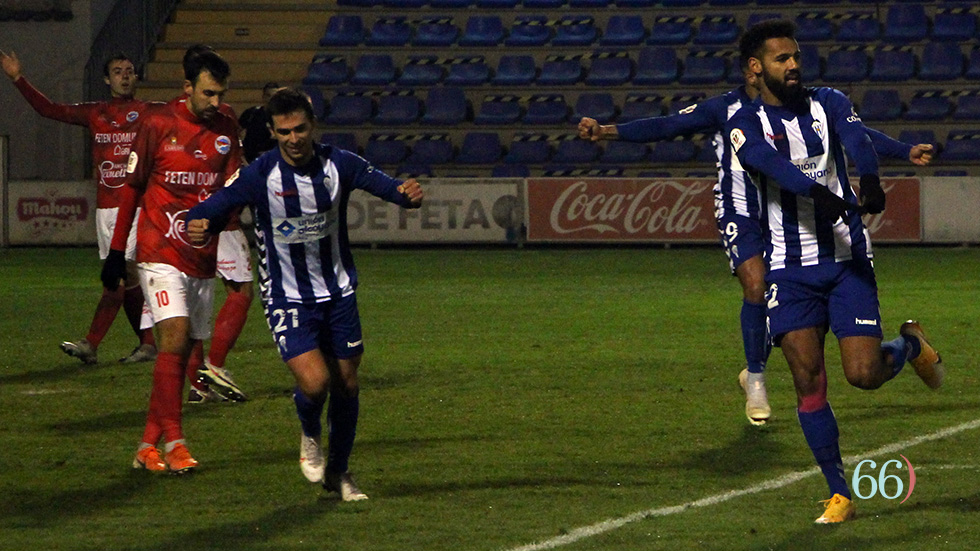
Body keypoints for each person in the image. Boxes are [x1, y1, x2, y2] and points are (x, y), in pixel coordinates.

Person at [578, 61, 934, 427]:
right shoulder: (726, 109)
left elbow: (851, 132)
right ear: (752, 71)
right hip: (743, 212)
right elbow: (668, 124)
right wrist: (608, 131)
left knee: (857, 367)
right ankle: (757, 378)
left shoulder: (804, 106)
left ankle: (897, 347)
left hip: (789, 213)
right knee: (756, 282)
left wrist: (902, 150)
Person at [727, 19, 944, 523]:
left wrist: (869, 178)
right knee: (807, 378)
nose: (794, 64)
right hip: (788, 268)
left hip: (846, 260)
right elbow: (772, 165)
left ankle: (910, 344)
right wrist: (820, 194)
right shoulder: (745, 123)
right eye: (782, 59)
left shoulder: (830, 101)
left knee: (864, 376)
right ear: (757, 68)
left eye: (796, 56)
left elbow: (855, 138)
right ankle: (838, 491)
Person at [186, 88, 424, 500]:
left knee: (347, 384)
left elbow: (387, 187)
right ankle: (310, 432)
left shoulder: (340, 164)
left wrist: (407, 195)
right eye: (284, 132)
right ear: (273, 133)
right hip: (287, 295)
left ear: (311, 125)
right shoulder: (260, 174)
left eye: (299, 129)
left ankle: (340, 472)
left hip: (338, 292)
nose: (293, 139)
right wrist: (198, 221)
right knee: (315, 384)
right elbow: (215, 202)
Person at [102, 49, 242, 474]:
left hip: (200, 257)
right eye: (208, 93)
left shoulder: (226, 129)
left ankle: (147, 445)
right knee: (175, 339)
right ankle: (177, 443)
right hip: (158, 250)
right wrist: (115, 252)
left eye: (220, 94)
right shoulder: (158, 124)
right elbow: (131, 188)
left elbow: (233, 192)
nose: (215, 102)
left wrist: (216, 224)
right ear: (187, 88)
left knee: (180, 356)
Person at [1, 49, 157, 365]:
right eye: (118, 70)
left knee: (118, 275)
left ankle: (92, 343)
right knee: (126, 279)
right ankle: (148, 344)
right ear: (106, 79)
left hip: (135, 207)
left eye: (129, 70)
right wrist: (18, 78)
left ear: (136, 77)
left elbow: (185, 114)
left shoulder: (150, 112)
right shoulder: (95, 112)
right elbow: (48, 109)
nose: (125, 75)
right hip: (105, 210)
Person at [167, 44, 252, 405]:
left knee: (196, 305)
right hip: (217, 222)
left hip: (182, 224)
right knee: (241, 290)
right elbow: (233, 170)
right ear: (190, 84)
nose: (216, 100)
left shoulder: (171, 116)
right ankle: (212, 369)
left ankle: (199, 386)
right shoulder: (221, 117)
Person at [239, 81, 280, 164]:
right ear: (263, 96)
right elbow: (235, 133)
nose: (271, 99)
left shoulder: (282, 117)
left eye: (274, 96)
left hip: (273, 162)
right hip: (250, 162)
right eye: (268, 96)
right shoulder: (251, 113)